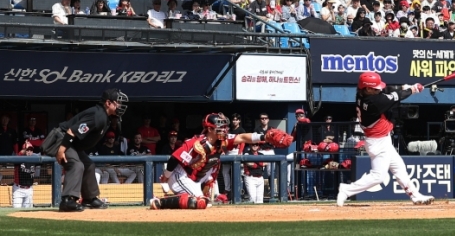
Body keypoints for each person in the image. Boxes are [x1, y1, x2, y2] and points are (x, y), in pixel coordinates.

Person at [150, 113, 291, 209]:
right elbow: (174, 158)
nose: (224, 130)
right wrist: (165, 178)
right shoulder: (196, 143)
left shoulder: (222, 140)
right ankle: (161, 202)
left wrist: (264, 137)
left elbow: (242, 137)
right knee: (199, 202)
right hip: (182, 176)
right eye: (220, 127)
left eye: (224, 126)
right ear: (209, 129)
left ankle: (180, 198)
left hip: (198, 178)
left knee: (204, 202)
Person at [336, 72, 434, 207]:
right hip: (378, 142)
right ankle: (347, 189)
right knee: (378, 176)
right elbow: (395, 97)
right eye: (375, 88)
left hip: (381, 140)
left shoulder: (361, 94)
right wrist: (412, 89)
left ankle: (415, 195)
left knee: (399, 168)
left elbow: (386, 90)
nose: (379, 89)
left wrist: (402, 87)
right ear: (368, 89)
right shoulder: (374, 103)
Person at [55, 88, 128, 212]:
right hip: (62, 139)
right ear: (108, 103)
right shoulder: (97, 115)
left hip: (73, 143)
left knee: (88, 165)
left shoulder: (105, 116)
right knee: (77, 165)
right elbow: (72, 131)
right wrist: (61, 151)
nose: (120, 106)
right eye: (118, 102)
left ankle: (89, 198)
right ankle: (67, 200)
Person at [12, 140, 38, 208]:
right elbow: (15, 159)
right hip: (18, 189)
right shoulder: (18, 160)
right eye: (27, 150)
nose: (29, 152)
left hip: (29, 189)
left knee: (28, 211)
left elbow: (42, 157)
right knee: (16, 209)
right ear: (24, 151)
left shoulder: (34, 160)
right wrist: (22, 152)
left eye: (31, 150)